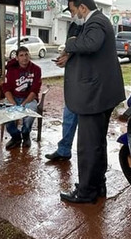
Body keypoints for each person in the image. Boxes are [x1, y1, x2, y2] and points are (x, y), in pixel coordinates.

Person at [58, 0, 125, 204]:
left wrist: (69, 44)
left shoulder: (95, 22)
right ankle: (97, 185)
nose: (72, 15)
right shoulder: (98, 21)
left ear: (83, 7)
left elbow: (91, 44)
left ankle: (87, 191)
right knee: (96, 144)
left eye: (72, 10)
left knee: (88, 146)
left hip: (94, 98)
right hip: (100, 95)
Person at [45, 20, 82, 162]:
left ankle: (85, 162)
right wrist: (65, 57)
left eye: (73, 10)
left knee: (86, 129)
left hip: (86, 86)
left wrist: (69, 57)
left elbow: (85, 52)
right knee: (68, 118)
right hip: (73, 84)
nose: (72, 15)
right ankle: (64, 150)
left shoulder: (93, 27)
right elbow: (70, 48)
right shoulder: (75, 24)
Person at [1, 46, 42, 149]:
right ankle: (15, 137)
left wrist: (23, 104)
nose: (24, 58)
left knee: (30, 113)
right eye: (21, 55)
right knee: (5, 114)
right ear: (17, 58)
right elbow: (6, 89)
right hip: (14, 98)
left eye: (26, 54)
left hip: (29, 99)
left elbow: (35, 90)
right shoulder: (11, 70)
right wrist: (13, 103)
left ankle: (26, 134)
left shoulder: (36, 69)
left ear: (30, 55)